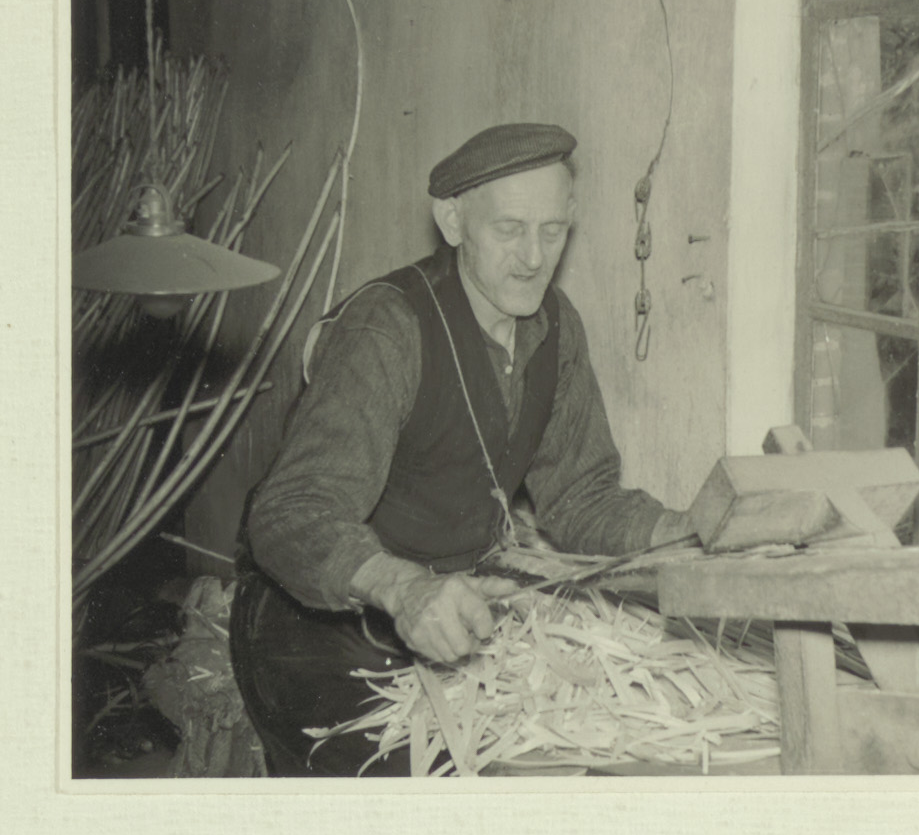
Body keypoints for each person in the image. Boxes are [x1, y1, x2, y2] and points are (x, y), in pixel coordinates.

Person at [230, 122, 692, 776]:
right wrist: (402, 588)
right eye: (509, 230)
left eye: (553, 231)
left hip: (455, 621)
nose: (533, 257)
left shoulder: (557, 329)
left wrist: (683, 534)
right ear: (452, 221)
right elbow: (290, 513)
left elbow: (581, 498)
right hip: (321, 629)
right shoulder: (388, 327)